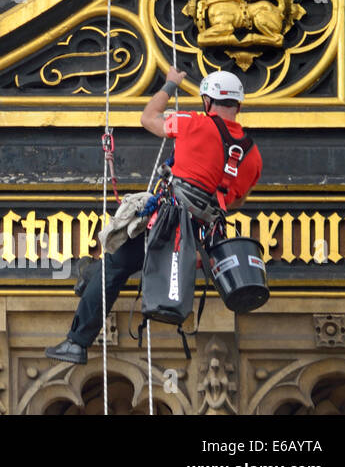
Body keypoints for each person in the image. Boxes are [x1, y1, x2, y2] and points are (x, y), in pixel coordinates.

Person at [45, 68, 262, 364]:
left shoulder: (194, 123)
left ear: (208, 102)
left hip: (166, 224)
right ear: (238, 105)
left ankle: (77, 342)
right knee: (115, 263)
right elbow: (235, 202)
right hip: (198, 238)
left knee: (114, 268)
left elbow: (149, 117)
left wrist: (171, 83)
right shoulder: (252, 156)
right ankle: (88, 277)